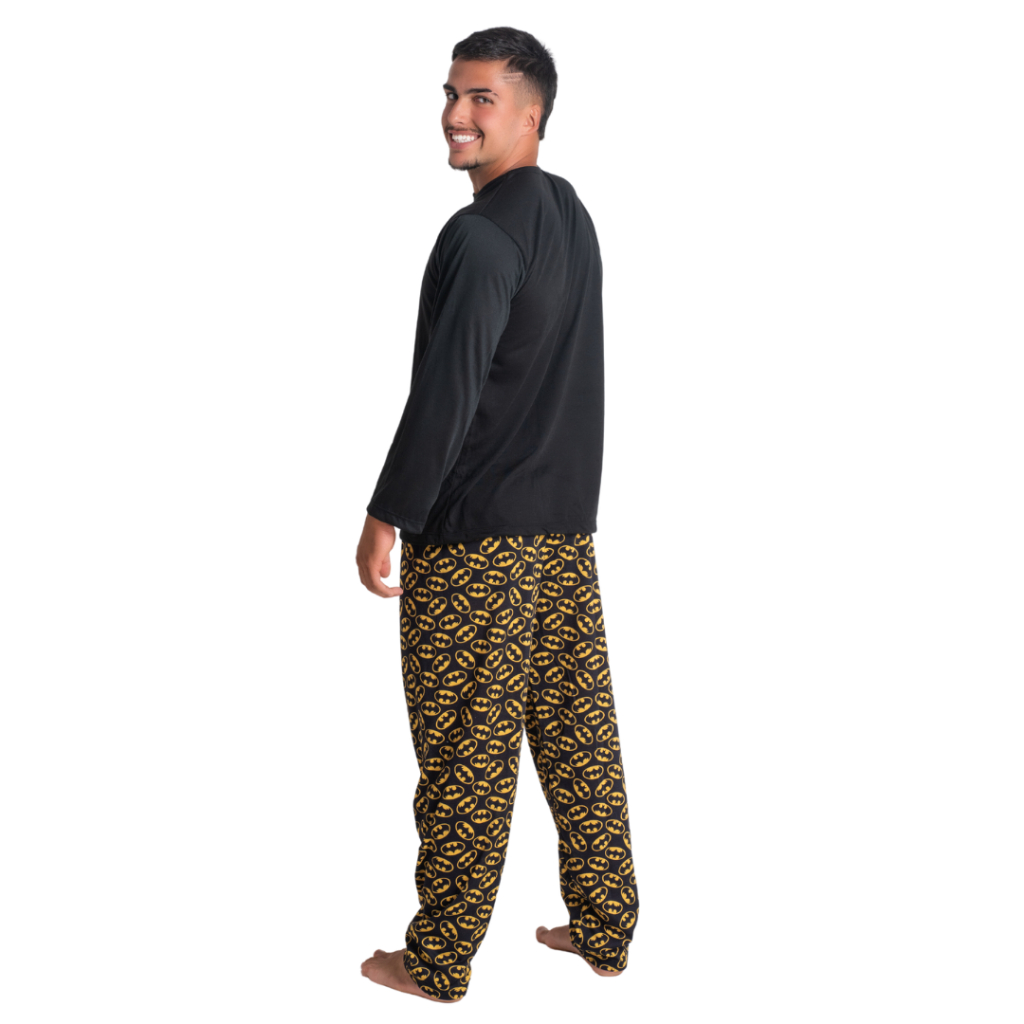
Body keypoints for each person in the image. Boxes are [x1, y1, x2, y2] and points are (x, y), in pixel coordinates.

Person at [356, 26, 639, 1003]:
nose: (456, 115)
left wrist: (389, 511)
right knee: (577, 733)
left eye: (482, 98)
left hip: (476, 539)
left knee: (463, 755)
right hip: (562, 534)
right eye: (451, 93)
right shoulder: (569, 214)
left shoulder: (478, 237)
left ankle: (437, 961)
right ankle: (604, 927)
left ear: (533, 114)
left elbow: (449, 393)